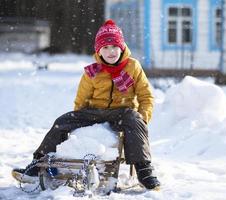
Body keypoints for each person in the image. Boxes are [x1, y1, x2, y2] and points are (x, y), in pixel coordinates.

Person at [12, 19, 160, 190]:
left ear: (122, 47)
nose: (111, 52)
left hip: (122, 112)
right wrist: (77, 121)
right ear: (98, 51)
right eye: (105, 48)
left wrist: (142, 117)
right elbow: (81, 100)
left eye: (114, 47)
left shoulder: (133, 66)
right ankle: (38, 163)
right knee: (62, 121)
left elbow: (146, 96)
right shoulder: (92, 72)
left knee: (135, 119)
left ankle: (144, 169)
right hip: (94, 112)